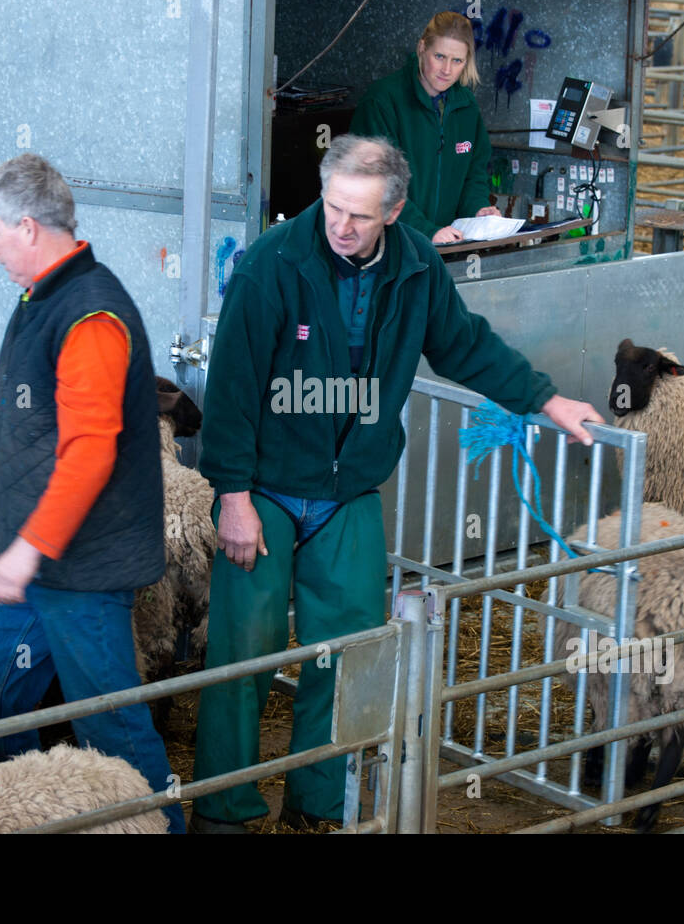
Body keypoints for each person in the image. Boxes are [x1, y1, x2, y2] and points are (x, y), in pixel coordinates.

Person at [189, 134, 602, 832]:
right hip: (265, 486)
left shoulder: (415, 265)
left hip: (350, 487)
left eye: (359, 214)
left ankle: (319, 805)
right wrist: (232, 497)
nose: (341, 225)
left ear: (396, 209)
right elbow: (230, 387)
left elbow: (464, 345)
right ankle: (225, 812)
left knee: (346, 651)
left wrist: (545, 399)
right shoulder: (271, 263)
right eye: (332, 206)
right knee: (245, 652)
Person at [0, 153, 184, 834]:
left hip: (80, 568)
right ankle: (40, 816)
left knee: (109, 722)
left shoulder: (90, 315)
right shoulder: (45, 296)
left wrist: (29, 549)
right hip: (35, 566)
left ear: (28, 227)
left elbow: (90, 451)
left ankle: (158, 827)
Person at [350, 11, 500, 244]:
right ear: (422, 48)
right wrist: (425, 230)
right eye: (439, 56)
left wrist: (479, 210)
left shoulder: (466, 106)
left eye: (457, 61)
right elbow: (376, 183)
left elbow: (474, 175)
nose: (447, 70)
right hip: (388, 247)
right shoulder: (383, 101)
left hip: (445, 248)